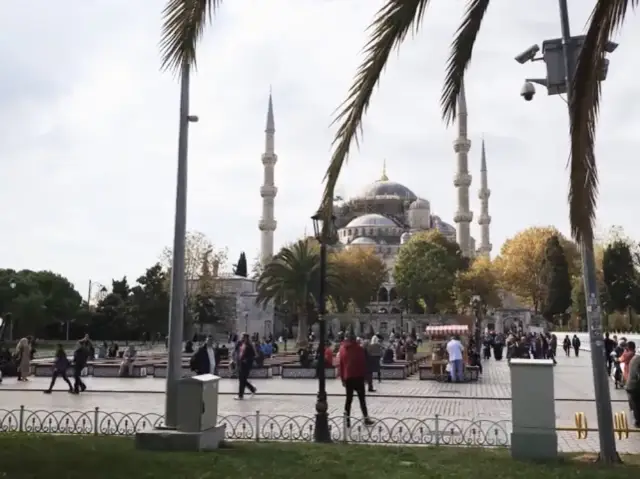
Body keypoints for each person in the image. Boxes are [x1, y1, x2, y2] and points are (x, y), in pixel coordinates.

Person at [338, 331, 374, 428]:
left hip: (348, 377)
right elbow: (362, 364)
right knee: (362, 399)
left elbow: (340, 365)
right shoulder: (359, 349)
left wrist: (342, 378)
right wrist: (366, 377)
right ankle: (366, 418)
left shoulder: (342, 349)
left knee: (348, 400)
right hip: (358, 377)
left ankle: (347, 420)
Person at [234, 333, 257, 400]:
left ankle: (240, 396)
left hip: (246, 365)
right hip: (240, 364)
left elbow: (253, 356)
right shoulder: (240, 344)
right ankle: (252, 389)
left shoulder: (249, 346)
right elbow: (237, 352)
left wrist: (246, 360)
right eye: (242, 337)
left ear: (247, 338)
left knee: (242, 380)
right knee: (242, 380)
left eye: (244, 337)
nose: (242, 338)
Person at [625, 344, 640, 428]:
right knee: (637, 405)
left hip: (630, 386)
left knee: (634, 405)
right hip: (635, 387)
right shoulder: (638, 360)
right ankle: (637, 422)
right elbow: (637, 374)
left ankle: (635, 421)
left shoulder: (634, 358)